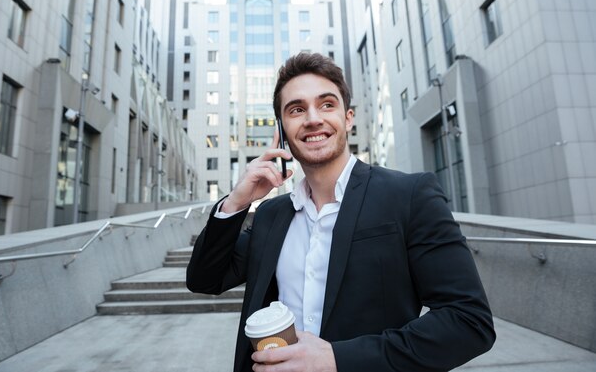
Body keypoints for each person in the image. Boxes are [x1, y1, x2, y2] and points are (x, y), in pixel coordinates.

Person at [187, 53, 495, 372]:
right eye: (296, 109)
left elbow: (468, 322)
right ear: (281, 127)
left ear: (347, 118)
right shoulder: (271, 214)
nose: (312, 119)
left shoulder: (409, 195)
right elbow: (204, 279)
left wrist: (337, 359)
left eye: (326, 104)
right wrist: (237, 202)